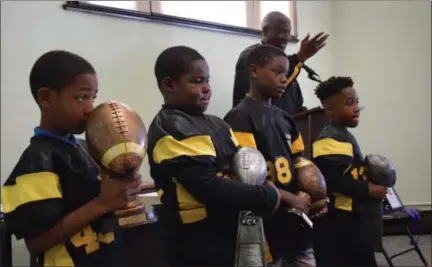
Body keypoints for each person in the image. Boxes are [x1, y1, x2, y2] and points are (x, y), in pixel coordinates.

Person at [147, 45, 310, 266]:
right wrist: (276, 196)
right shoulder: (171, 126)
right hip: (196, 243)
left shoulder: (216, 124)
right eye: (196, 81)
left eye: (207, 80)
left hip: (227, 234)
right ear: (169, 85)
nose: (206, 88)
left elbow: (244, 167)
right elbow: (209, 186)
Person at [1, 50, 141, 267]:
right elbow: (37, 241)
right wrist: (103, 202)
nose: (90, 109)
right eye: (81, 97)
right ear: (45, 98)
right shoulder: (37, 160)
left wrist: (126, 184)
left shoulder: (88, 147)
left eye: (93, 98)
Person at [225, 44, 326, 266]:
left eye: (286, 73)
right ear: (254, 71)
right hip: (264, 218)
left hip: (295, 216)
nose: (284, 78)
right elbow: (248, 176)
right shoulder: (239, 117)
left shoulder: (285, 118)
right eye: (277, 71)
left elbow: (299, 162)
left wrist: (315, 195)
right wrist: (290, 198)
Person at [311, 76, 388, 266]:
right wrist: (368, 190)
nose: (356, 108)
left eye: (357, 102)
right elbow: (332, 180)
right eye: (349, 103)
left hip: (351, 215)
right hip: (339, 220)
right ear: (329, 109)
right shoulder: (329, 140)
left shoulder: (343, 134)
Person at [232, 11, 329, 116]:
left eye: (288, 33)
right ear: (265, 31)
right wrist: (300, 57)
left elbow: (295, 105)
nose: (287, 37)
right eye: (282, 31)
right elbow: (267, 91)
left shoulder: (288, 65)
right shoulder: (250, 56)